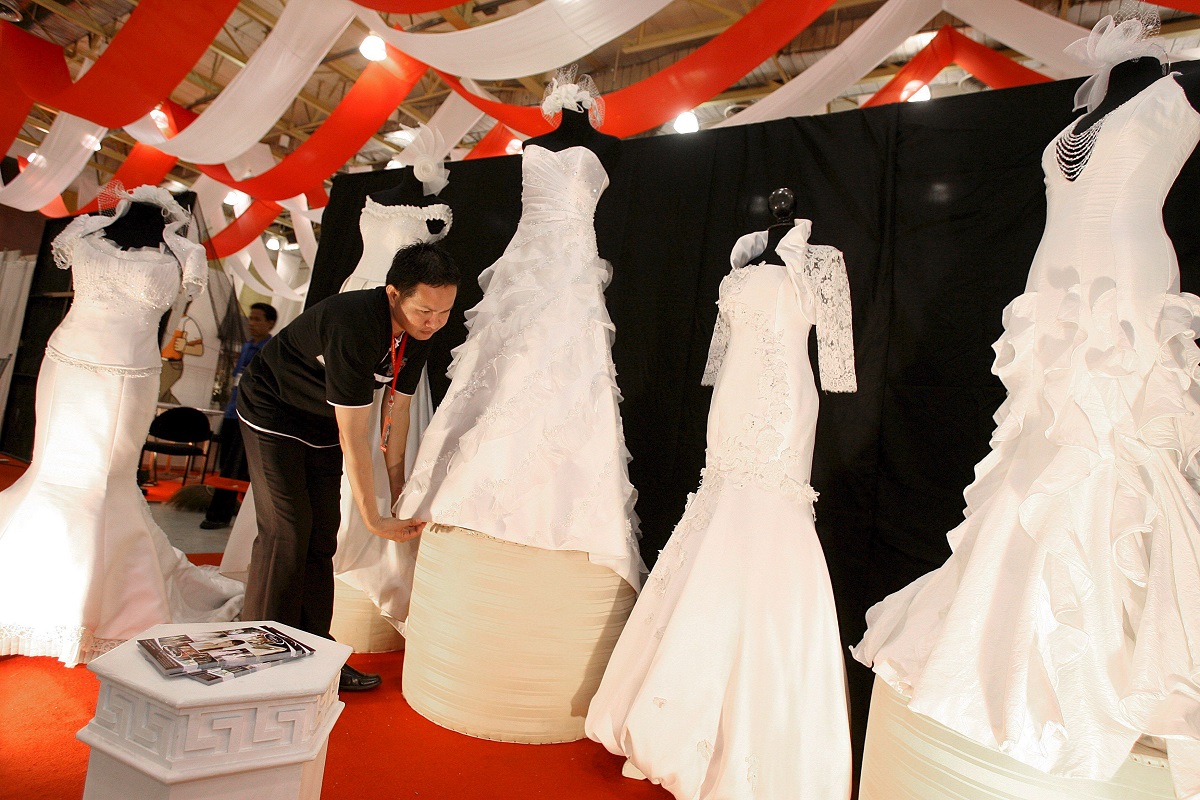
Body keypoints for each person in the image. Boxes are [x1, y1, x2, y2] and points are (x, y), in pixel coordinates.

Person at [236, 242, 458, 692]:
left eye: (445, 312)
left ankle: (315, 653)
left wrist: (398, 497)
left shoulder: (417, 336)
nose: (434, 323)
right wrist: (374, 517)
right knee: (288, 531)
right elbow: (354, 436)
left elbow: (394, 420)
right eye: (425, 311)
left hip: (320, 420)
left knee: (322, 535)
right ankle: (263, 655)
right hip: (273, 411)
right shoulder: (354, 322)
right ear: (394, 293)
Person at [200, 302, 277, 530]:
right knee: (225, 463)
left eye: (257, 319)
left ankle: (219, 515)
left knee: (236, 468)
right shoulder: (246, 346)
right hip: (232, 412)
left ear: (270, 323)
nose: (251, 324)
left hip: (249, 415)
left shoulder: (270, 348)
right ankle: (227, 510)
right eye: (250, 318)